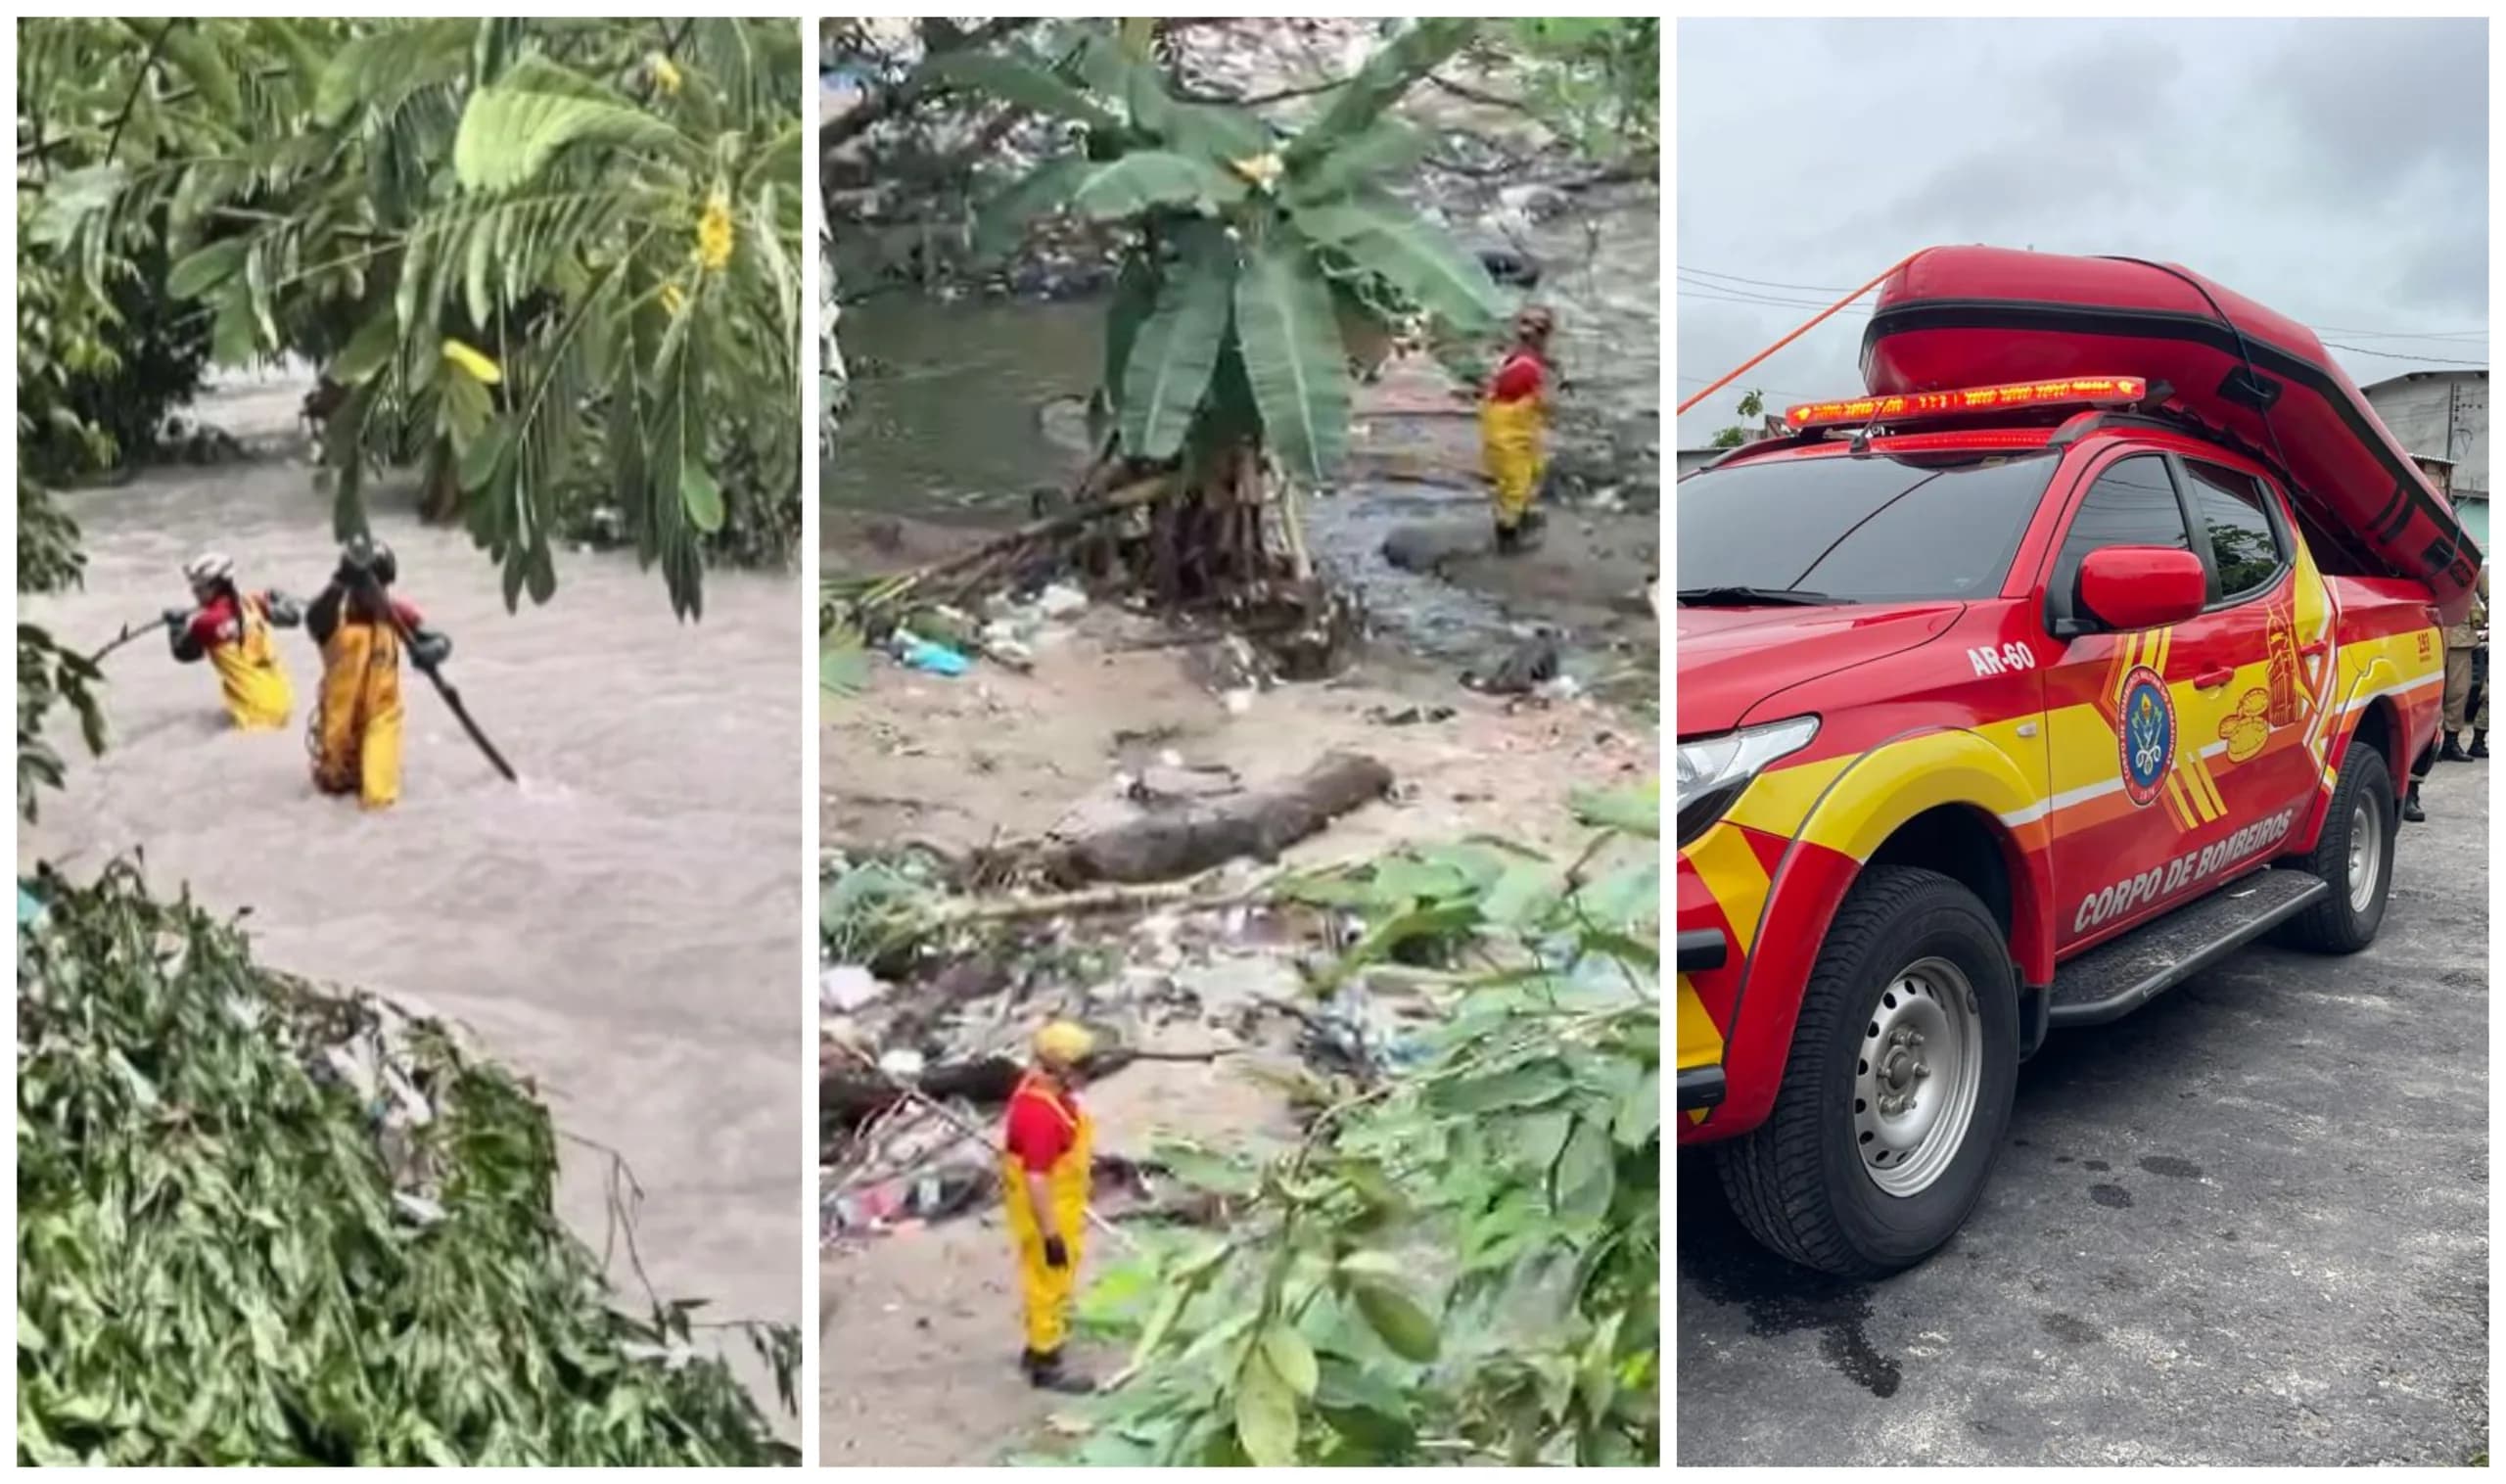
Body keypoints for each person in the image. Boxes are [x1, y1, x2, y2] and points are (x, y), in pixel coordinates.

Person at [305, 535, 451, 811]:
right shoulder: (333, 615)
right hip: (339, 723)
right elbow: (314, 620)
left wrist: (432, 651)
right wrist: (340, 581)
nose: (378, 594)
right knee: (331, 797)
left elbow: (438, 639)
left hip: (382, 716)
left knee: (378, 804)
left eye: (383, 587)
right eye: (373, 586)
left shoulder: (395, 615)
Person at [1000, 1021, 1097, 1394]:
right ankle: (1046, 1361)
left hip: (1062, 1202)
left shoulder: (1046, 1095)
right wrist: (1050, 1234)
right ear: (1060, 1069)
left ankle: (1040, 1345)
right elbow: (1036, 1178)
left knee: (1053, 1278)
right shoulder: (1039, 1115)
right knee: (1048, 1283)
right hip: (1046, 1211)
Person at [165, 552, 301, 728]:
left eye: (199, 587)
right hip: (284, 699)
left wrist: (176, 626)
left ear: (216, 586)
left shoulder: (206, 622)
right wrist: (282, 600)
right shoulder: (253, 603)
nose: (193, 591)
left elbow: (185, 653)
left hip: (254, 711)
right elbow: (293, 618)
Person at [1480, 305, 1556, 553]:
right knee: (1515, 483)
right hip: (1508, 434)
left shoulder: (1524, 360)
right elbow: (1512, 391)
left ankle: (1518, 515)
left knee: (1533, 470)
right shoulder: (1525, 368)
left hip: (1520, 430)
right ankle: (1507, 532)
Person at [2439, 565, 2487, 762]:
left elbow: (2489, 595)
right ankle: (2428, 745)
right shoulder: (2423, 556)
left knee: (2457, 693)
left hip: (2460, 636)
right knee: (2428, 692)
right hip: (2429, 632)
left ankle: (2451, 741)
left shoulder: (2471, 562)